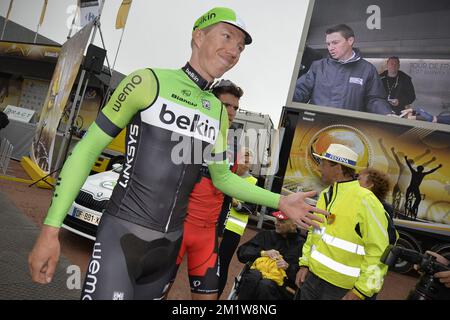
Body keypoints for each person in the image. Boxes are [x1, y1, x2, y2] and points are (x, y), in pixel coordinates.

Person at [28, 7, 328, 300]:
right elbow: (86, 150)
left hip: (169, 246)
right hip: (121, 237)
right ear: (199, 37)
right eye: (226, 37)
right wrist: (50, 229)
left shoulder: (216, 112)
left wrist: (280, 201)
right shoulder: (147, 81)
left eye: (239, 46)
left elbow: (221, 178)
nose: (234, 50)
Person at [168, 79, 244, 300]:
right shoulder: (188, 133)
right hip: (177, 228)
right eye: (226, 106)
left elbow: (226, 183)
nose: (231, 112)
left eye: (235, 108)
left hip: (208, 233)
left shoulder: (233, 143)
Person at [295, 144, 390, 300]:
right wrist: (304, 264)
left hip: (342, 290)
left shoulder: (366, 200)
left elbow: (379, 250)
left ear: (337, 167)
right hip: (312, 279)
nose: (319, 169)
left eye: (323, 164)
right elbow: (314, 232)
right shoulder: (325, 195)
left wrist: (361, 291)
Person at [293, 24, 392, 115]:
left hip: (348, 129)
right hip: (316, 125)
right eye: (328, 44)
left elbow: (374, 99)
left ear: (350, 41)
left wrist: (387, 113)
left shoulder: (367, 69)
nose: (331, 48)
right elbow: (300, 91)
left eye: (335, 43)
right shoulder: (318, 66)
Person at [235, 211, 304, 300]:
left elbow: (302, 277)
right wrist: (262, 253)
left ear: (293, 226)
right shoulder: (266, 235)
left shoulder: (302, 245)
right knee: (253, 276)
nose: (276, 223)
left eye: (281, 221)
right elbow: (241, 253)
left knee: (265, 285)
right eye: (276, 220)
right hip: (255, 277)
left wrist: (288, 267)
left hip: (281, 287)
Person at [217, 148, 257, 298]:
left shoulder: (253, 182)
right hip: (218, 226)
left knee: (222, 264)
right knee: (209, 262)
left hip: (233, 231)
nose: (246, 164)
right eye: (243, 159)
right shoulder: (227, 176)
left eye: (248, 161)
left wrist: (236, 205)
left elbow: (252, 208)